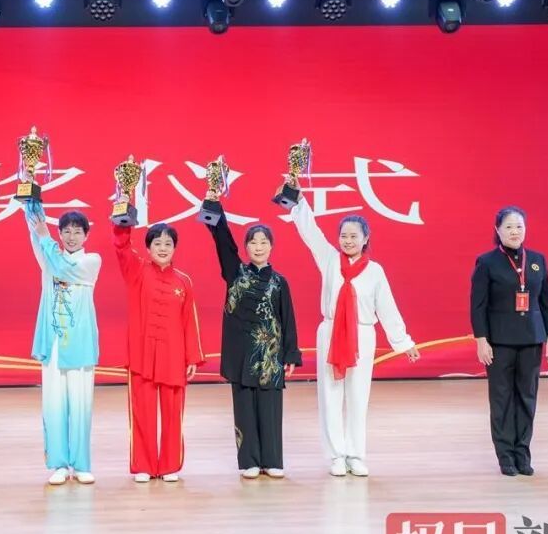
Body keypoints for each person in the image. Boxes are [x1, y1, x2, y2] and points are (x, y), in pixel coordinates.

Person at [284, 190, 419, 477]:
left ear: (365, 238)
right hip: (331, 332)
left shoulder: (375, 271)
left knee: (358, 397)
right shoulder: (330, 259)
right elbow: (311, 233)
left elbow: (387, 307)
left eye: (354, 236)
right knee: (330, 396)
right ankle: (336, 455)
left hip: (362, 335)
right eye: (343, 235)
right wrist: (297, 199)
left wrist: (403, 341)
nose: (348, 240)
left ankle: (356, 455)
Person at [201, 200, 301, 479]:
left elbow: (287, 319)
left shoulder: (280, 282)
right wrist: (214, 205)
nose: (258, 247)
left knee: (270, 410)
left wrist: (290, 354)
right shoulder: (235, 273)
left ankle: (272, 460)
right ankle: (249, 461)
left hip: (270, 355)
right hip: (242, 354)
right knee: (244, 408)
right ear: (245, 247)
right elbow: (223, 243)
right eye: (253, 242)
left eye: (264, 242)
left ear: (271, 247)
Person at [113, 209, 204, 483]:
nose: (162, 248)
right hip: (142, 355)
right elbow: (121, 247)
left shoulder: (184, 281)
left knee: (173, 413)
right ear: (148, 247)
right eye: (157, 243)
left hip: (173, 356)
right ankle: (143, 465)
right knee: (142, 411)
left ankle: (169, 466)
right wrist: (122, 215)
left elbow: (189, 322)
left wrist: (192, 357)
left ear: (175, 248)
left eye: (168, 243)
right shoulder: (137, 271)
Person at [470, 206, 548, 477]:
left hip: (532, 338)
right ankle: (505, 455)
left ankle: (522, 453)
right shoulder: (487, 263)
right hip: (499, 342)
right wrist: (481, 340)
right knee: (502, 399)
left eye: (519, 226)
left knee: (527, 397)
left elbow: (547, 301)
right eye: (508, 226)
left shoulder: (538, 261)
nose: (514, 232)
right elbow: (478, 305)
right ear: (497, 230)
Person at [24, 207, 102, 486]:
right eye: (66, 231)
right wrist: (31, 203)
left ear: (86, 235)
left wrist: (46, 237)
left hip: (80, 345)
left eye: (77, 232)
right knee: (53, 405)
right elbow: (36, 232)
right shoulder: (48, 259)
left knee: (81, 406)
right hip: (54, 345)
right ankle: (58, 464)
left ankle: (81, 465)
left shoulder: (91, 261)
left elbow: (63, 268)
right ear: (59, 233)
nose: (71, 237)